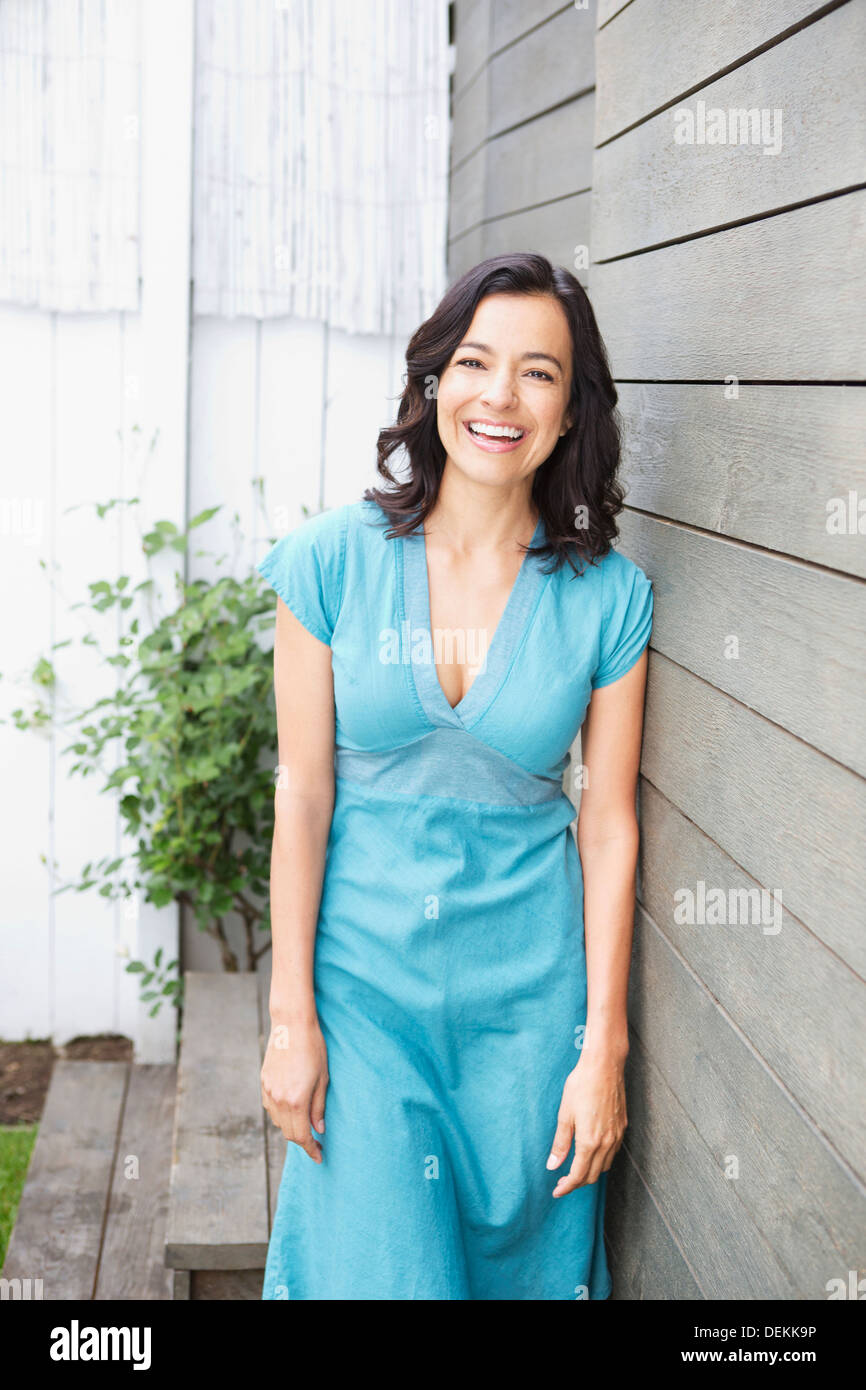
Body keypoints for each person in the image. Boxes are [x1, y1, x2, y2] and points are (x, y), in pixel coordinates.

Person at [257, 252, 653, 1300]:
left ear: (570, 412)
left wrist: (598, 1049)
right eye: (472, 362)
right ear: (433, 383)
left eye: (537, 372)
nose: (498, 395)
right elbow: (300, 799)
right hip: (363, 1001)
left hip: (526, 1020)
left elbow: (606, 825)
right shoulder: (329, 562)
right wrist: (291, 1017)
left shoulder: (607, 598)